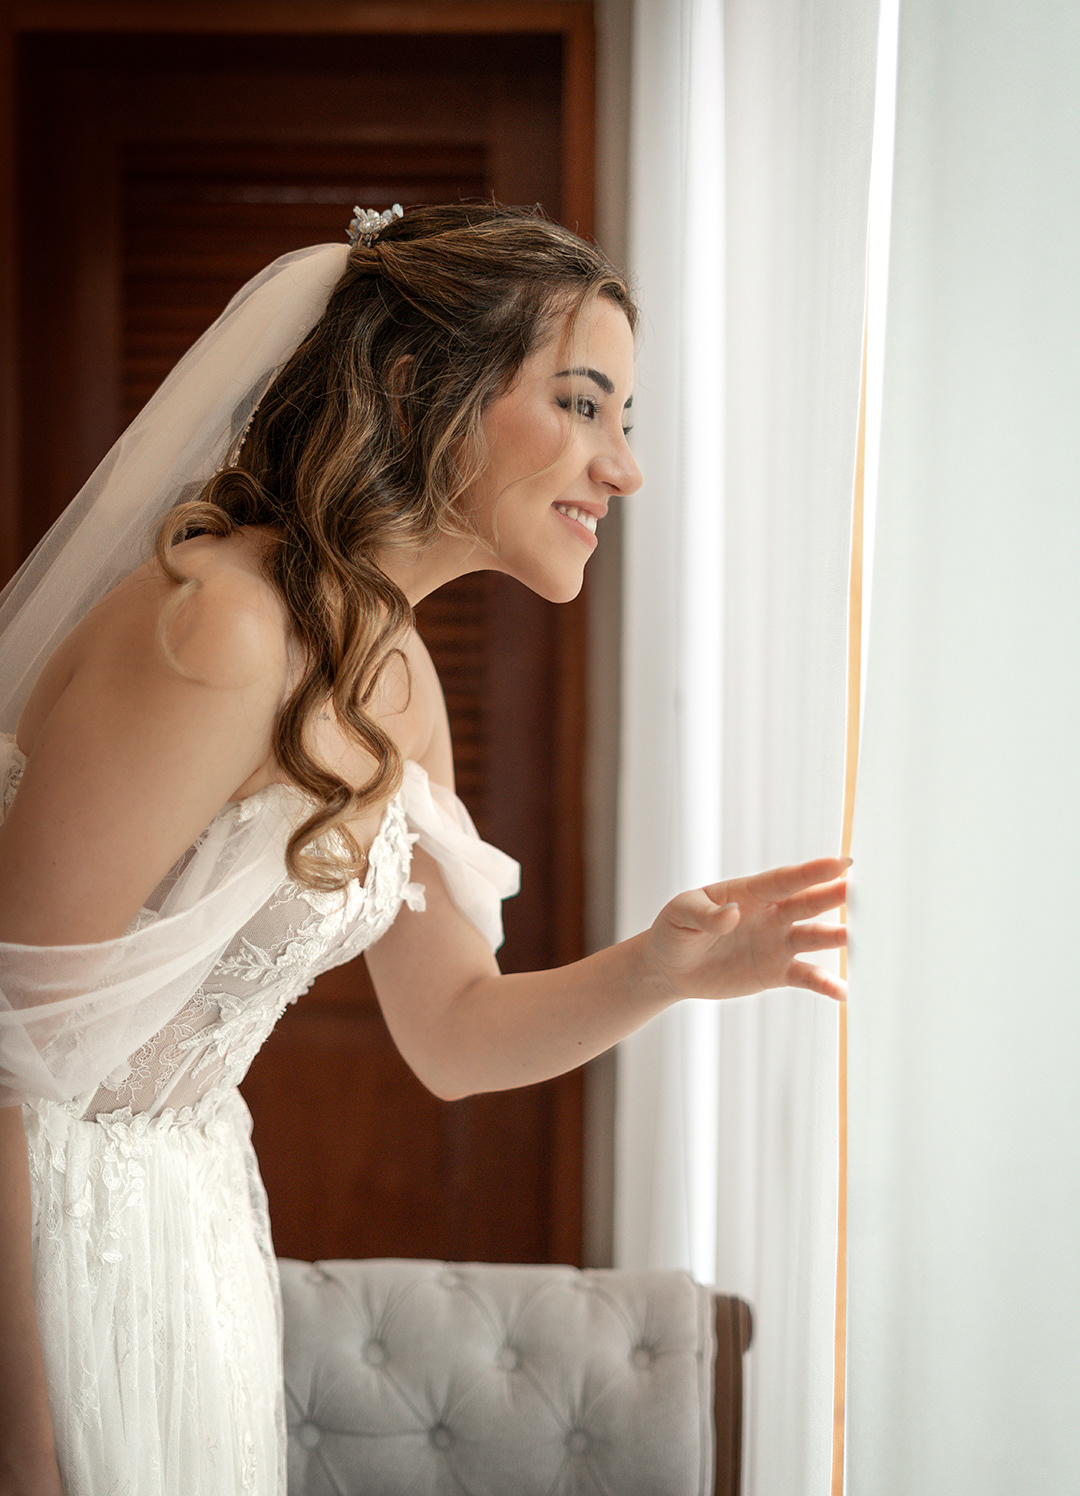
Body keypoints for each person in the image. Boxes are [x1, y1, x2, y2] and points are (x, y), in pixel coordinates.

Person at [0, 203, 847, 1496]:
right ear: (416, 389)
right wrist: (23, 1447)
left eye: (626, 420)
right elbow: (4, 1055)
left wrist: (658, 971)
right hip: (43, 1252)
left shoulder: (396, 679)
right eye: (581, 405)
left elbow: (451, 1033)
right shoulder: (219, 628)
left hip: (188, 1249)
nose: (623, 468)